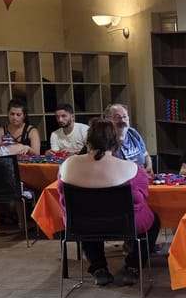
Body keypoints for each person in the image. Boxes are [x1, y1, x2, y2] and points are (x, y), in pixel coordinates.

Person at [58, 119, 161, 287]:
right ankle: (133, 266)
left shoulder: (67, 166)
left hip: (81, 225)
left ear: (88, 141)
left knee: (86, 214)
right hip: (124, 225)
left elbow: (61, 194)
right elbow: (142, 196)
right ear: (115, 143)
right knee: (153, 221)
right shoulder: (131, 169)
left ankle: (99, 268)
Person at [106, 103, 154, 174]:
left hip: (143, 176)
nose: (122, 120)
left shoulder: (133, 133)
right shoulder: (105, 140)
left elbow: (146, 155)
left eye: (124, 116)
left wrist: (149, 167)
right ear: (107, 120)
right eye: (117, 117)